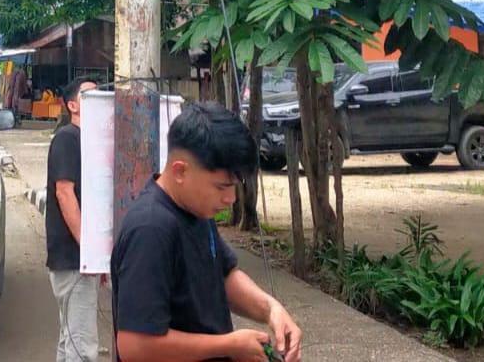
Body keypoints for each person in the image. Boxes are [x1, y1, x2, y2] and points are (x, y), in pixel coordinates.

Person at [110, 101, 304, 362]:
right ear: (180, 171)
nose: (230, 199)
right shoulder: (150, 229)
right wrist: (228, 345)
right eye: (221, 187)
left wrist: (270, 309)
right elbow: (135, 346)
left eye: (234, 186)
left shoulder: (197, 208)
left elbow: (223, 275)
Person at [45, 78, 99, 362]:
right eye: (90, 95)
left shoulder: (88, 141)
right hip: (73, 258)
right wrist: (88, 249)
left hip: (80, 258)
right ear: (72, 105)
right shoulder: (68, 138)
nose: (98, 100)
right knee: (82, 346)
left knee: (71, 340)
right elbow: (64, 193)